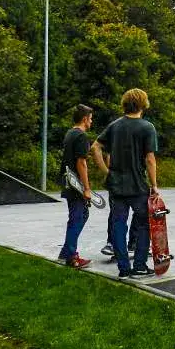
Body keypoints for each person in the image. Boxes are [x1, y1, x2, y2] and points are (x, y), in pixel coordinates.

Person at [91, 88, 158, 278]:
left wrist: (107, 172)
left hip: (116, 186)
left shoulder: (115, 126)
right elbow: (150, 159)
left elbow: (95, 147)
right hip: (138, 186)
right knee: (144, 225)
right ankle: (139, 266)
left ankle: (123, 268)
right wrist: (154, 185)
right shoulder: (147, 127)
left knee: (118, 225)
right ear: (143, 104)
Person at [57, 104, 94, 269]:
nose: (91, 122)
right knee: (77, 218)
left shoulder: (70, 133)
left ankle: (66, 250)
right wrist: (86, 188)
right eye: (91, 118)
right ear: (85, 118)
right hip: (76, 185)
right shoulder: (81, 136)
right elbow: (81, 163)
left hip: (68, 182)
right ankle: (72, 257)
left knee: (80, 215)